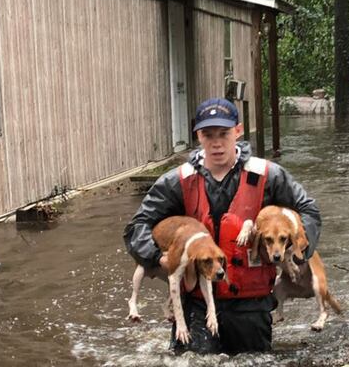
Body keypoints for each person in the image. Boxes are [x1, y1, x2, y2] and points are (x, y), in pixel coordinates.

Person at [123, 97, 321, 354]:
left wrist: (299, 251)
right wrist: (156, 258)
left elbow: (309, 210)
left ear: (238, 131)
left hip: (252, 304)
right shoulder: (177, 181)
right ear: (198, 135)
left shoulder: (269, 175)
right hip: (195, 302)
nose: (216, 143)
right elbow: (137, 226)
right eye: (208, 134)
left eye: (224, 133)